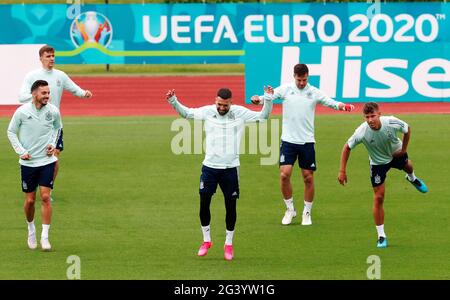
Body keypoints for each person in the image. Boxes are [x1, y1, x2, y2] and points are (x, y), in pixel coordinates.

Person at [167, 87, 273, 261]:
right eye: (219, 104)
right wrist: (173, 101)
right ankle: (206, 240)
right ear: (215, 101)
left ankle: (228, 243)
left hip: (231, 168)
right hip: (209, 167)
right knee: (204, 203)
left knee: (230, 207)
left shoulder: (239, 113)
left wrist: (268, 98)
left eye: (225, 105)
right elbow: (187, 114)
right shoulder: (209, 111)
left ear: (231, 102)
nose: (221, 108)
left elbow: (263, 117)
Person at [251, 63, 354, 226]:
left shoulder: (313, 92)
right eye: (299, 80)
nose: (301, 83)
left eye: (304, 80)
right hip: (288, 141)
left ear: (308, 77)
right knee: (284, 174)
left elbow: (330, 102)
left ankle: (307, 212)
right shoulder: (286, 89)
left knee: (308, 178)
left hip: (307, 141)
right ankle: (290, 209)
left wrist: (343, 106)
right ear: (294, 76)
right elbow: (268, 96)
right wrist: (257, 99)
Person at [338, 102, 428, 248]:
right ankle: (381, 236)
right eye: (366, 117)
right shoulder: (361, 132)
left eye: (372, 116)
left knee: (409, 166)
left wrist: (404, 150)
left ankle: (412, 178)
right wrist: (342, 171)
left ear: (379, 114)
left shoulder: (390, 122)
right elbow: (347, 147)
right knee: (379, 197)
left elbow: (407, 129)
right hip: (378, 163)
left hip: (396, 153)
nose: (370, 120)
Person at [18, 45, 93, 200]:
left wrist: (83, 93)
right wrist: (35, 97)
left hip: (53, 124)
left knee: (54, 158)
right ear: (41, 58)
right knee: (34, 157)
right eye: (48, 56)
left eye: (53, 55)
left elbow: (74, 88)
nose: (51, 58)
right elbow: (21, 96)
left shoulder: (60, 75)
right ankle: (33, 185)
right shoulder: (32, 76)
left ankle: (47, 189)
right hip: (35, 125)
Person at [7, 80, 63, 251]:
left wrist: (53, 144)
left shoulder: (53, 111)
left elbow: (57, 128)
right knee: (30, 200)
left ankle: (45, 237)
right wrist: (20, 150)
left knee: (45, 197)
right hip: (28, 162)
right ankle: (31, 229)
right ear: (34, 94)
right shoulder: (22, 112)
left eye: (48, 93)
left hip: (47, 161)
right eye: (44, 93)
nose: (47, 96)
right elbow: (10, 131)